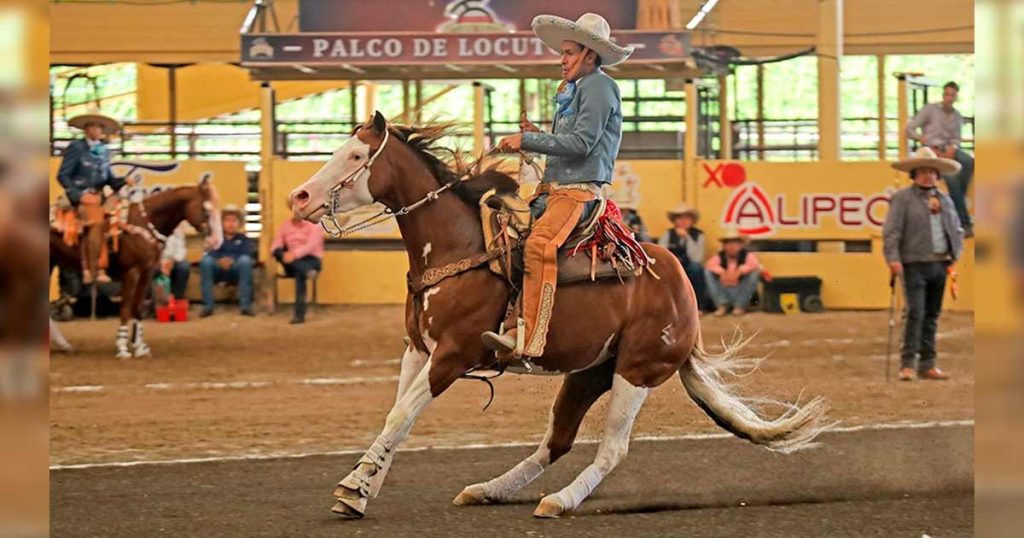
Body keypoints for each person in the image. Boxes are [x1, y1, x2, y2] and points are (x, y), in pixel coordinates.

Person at [481, 12, 633, 358]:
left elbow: (582, 144)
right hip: (553, 192)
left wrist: (529, 139)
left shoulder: (599, 86)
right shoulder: (579, 88)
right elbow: (569, 139)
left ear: (588, 55)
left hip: (578, 193)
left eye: (568, 53)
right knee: (502, 239)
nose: (562, 60)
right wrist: (534, 132)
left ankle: (531, 338)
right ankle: (504, 321)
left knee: (538, 246)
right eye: (563, 52)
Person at [883, 147, 964, 381]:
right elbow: (892, 232)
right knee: (916, 312)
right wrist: (894, 259)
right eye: (923, 171)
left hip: (940, 263)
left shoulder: (945, 200)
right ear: (915, 174)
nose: (928, 175)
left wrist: (954, 254)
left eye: (932, 171)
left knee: (931, 314)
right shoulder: (902, 199)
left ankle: (927, 363)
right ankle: (907, 363)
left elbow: (955, 229)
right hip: (913, 263)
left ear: (937, 175)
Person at [56, 110, 125, 284]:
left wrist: (124, 180)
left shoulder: (103, 151)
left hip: (100, 197)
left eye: (100, 126)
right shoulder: (76, 148)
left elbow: (109, 178)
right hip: (81, 196)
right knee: (97, 222)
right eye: (94, 126)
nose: (98, 130)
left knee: (124, 214)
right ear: (87, 129)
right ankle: (95, 267)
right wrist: (79, 195)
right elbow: (63, 175)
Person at [905, 81, 974, 236]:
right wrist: (920, 138)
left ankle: (959, 199)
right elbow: (910, 128)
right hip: (931, 148)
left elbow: (956, 139)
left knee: (969, 162)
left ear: (956, 97)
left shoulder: (957, 116)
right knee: (951, 177)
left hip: (948, 148)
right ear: (943, 94)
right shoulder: (930, 110)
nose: (949, 98)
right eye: (947, 94)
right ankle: (964, 222)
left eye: (952, 95)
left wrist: (952, 148)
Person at [199, 204, 255, 317]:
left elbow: (248, 253)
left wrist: (232, 260)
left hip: (236, 269)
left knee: (245, 261)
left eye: (234, 220)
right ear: (221, 223)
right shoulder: (215, 238)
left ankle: (245, 306)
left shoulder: (245, 239)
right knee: (206, 261)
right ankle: (207, 307)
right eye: (227, 220)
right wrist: (219, 260)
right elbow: (209, 252)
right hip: (217, 269)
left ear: (239, 223)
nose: (231, 224)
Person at [271, 210, 325, 324]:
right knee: (279, 254)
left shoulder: (315, 225)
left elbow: (311, 246)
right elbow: (276, 244)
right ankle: (307, 271)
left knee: (299, 271)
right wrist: (283, 254)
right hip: (291, 262)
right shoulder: (285, 226)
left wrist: (294, 254)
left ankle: (299, 315)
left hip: (311, 260)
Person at [658, 203, 711, 311]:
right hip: (672, 267)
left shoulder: (699, 235)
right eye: (679, 218)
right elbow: (661, 254)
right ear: (675, 221)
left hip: (689, 267)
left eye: (687, 218)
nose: (683, 221)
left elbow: (697, 258)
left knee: (696, 269)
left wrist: (687, 238)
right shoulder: (668, 234)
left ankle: (698, 307)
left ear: (692, 220)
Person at [704, 229, 762, 316]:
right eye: (728, 243)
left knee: (754, 273)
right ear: (724, 246)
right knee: (707, 272)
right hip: (723, 291)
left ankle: (739, 306)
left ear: (741, 245)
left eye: (735, 243)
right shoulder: (720, 256)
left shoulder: (747, 255)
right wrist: (722, 272)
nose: (731, 246)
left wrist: (739, 271)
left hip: (740, 291)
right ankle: (722, 305)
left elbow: (755, 264)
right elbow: (709, 265)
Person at [160, 222, 191, 300]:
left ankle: (177, 299)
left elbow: (181, 250)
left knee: (184, 267)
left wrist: (173, 261)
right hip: (158, 261)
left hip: (174, 260)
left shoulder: (177, 228)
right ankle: (158, 301)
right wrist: (162, 263)